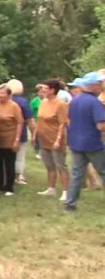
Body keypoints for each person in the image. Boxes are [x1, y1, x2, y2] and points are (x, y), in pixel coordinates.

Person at [65, 72, 105, 211]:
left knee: (77, 175)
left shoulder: (75, 100)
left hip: (76, 142)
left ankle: (70, 204)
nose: (101, 87)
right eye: (100, 84)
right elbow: (101, 125)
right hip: (93, 143)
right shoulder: (95, 102)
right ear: (93, 85)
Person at [34, 79, 70, 202]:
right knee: (49, 165)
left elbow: (62, 124)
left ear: (53, 90)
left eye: (45, 88)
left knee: (60, 165)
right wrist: (35, 134)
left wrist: (58, 140)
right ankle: (51, 188)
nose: (42, 90)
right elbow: (39, 119)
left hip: (55, 138)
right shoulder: (43, 102)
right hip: (43, 138)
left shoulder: (60, 104)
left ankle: (66, 191)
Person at [0, 84, 24, 196]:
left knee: (9, 163)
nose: (0, 95)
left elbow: (20, 123)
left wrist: (17, 139)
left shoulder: (14, 106)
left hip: (10, 138)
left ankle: (9, 187)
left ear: (9, 95)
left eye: (2, 93)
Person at [7, 79, 35, 185]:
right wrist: (33, 133)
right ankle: (19, 175)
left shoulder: (4, 100)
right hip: (20, 132)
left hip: (5, 133)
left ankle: (8, 174)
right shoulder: (23, 102)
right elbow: (29, 119)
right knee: (20, 156)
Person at [31, 84, 47, 158]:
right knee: (36, 136)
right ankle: (37, 151)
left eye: (44, 92)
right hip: (37, 120)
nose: (42, 94)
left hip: (45, 121)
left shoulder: (47, 101)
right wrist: (33, 121)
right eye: (40, 92)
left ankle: (44, 151)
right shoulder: (34, 101)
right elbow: (31, 112)